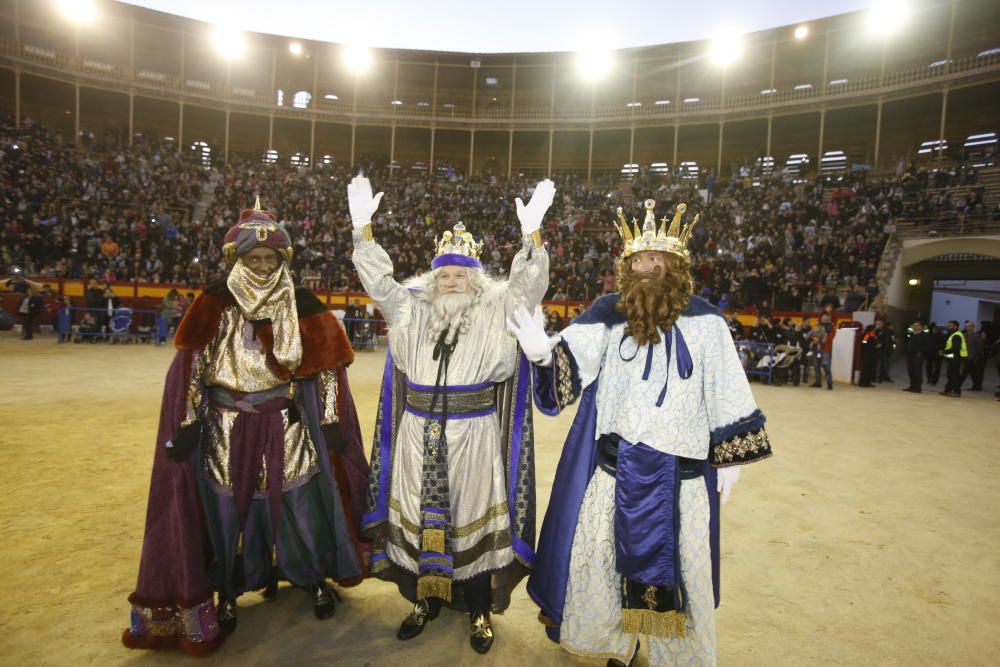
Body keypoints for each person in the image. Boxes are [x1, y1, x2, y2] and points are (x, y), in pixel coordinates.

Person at [509, 200, 772, 667]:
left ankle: (672, 657)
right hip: (615, 473)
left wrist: (730, 460)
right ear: (626, 269)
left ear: (677, 266)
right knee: (607, 569)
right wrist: (546, 356)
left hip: (684, 480)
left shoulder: (709, 321)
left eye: (657, 260)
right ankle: (622, 649)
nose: (647, 267)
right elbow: (577, 356)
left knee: (683, 574)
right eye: (638, 261)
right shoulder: (607, 313)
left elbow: (727, 386)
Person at [123, 201, 369, 655]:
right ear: (236, 259)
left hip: (285, 424)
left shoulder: (302, 304)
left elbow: (330, 368)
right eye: (252, 259)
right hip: (225, 426)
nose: (260, 266)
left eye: (269, 259)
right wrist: (191, 423)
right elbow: (194, 366)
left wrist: (332, 420)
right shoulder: (215, 301)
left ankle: (313, 578)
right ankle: (229, 592)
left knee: (302, 508)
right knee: (227, 514)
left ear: (282, 261)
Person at [350, 174, 554, 654]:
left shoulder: (496, 307)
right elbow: (379, 283)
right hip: (416, 433)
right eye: (443, 275)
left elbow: (527, 288)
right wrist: (363, 230)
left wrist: (532, 239)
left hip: (474, 434)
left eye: (460, 274)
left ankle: (480, 608)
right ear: (431, 279)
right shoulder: (410, 308)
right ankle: (426, 601)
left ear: (476, 279)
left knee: (472, 516)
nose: (451, 281)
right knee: (421, 518)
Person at [939, 320, 967, 398]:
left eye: (951, 325)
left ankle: (957, 392)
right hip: (953, 358)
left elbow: (955, 348)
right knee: (950, 375)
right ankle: (947, 390)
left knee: (954, 375)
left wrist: (944, 352)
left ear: (955, 326)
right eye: (948, 325)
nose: (949, 327)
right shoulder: (953, 334)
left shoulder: (957, 335)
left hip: (956, 358)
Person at [808, 312, 836, 390]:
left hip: (825, 349)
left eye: (826, 318)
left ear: (828, 319)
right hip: (815, 348)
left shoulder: (831, 328)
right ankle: (818, 382)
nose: (824, 320)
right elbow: (810, 335)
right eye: (823, 318)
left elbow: (830, 338)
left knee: (826, 366)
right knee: (816, 366)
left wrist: (819, 339)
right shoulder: (816, 326)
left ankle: (829, 383)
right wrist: (813, 339)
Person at [903, 321, 931, 393]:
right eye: (914, 326)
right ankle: (912, 386)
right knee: (911, 371)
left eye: (916, 325)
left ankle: (917, 388)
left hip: (918, 356)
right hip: (910, 355)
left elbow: (927, 346)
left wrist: (921, 353)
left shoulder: (924, 335)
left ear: (921, 327)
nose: (914, 327)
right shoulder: (912, 334)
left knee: (917, 372)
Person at [960, 321, 986, 391]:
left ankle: (957, 385)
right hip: (966, 357)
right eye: (966, 326)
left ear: (973, 327)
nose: (967, 327)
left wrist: (976, 357)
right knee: (973, 373)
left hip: (972, 357)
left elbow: (980, 347)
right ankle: (977, 387)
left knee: (964, 373)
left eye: (969, 326)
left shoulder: (976, 336)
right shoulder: (964, 335)